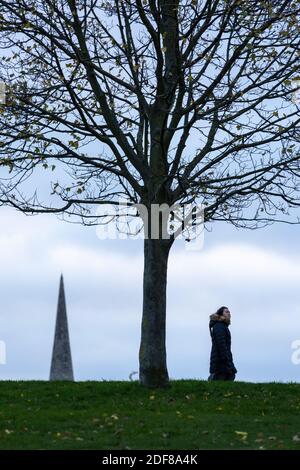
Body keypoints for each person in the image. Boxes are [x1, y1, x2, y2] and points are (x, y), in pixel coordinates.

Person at [208, 306, 237, 381]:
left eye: (229, 312)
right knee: (220, 380)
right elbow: (221, 344)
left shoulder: (223, 326)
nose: (229, 313)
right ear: (221, 315)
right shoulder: (219, 326)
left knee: (230, 377)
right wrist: (226, 359)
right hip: (220, 360)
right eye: (226, 312)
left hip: (224, 359)